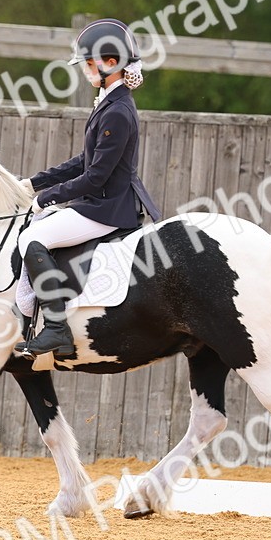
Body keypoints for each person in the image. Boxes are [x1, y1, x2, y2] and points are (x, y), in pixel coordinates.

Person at [14, 18, 162, 359]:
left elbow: (95, 177)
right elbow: (85, 159)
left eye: (89, 63)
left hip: (107, 208)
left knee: (31, 239)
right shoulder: (109, 103)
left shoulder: (118, 112)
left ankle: (56, 329)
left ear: (111, 64)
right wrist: (34, 183)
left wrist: (45, 199)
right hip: (100, 201)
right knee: (34, 230)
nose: (84, 70)